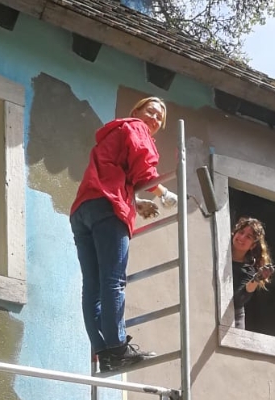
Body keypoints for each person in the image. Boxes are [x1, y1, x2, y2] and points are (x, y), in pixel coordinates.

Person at [70, 97, 178, 372]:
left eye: (159, 119)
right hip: (107, 209)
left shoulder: (113, 133)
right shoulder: (136, 128)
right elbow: (144, 170)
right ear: (136, 111)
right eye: (151, 111)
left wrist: (136, 202)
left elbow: (113, 176)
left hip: (84, 210)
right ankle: (118, 347)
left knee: (92, 287)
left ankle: (104, 352)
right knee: (113, 281)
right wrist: (163, 192)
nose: (154, 119)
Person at [230, 217, 274, 329]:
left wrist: (257, 278)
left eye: (248, 237)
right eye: (241, 232)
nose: (242, 238)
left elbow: (238, 299)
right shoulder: (218, 251)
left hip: (233, 319)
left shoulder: (249, 270)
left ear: (253, 245)